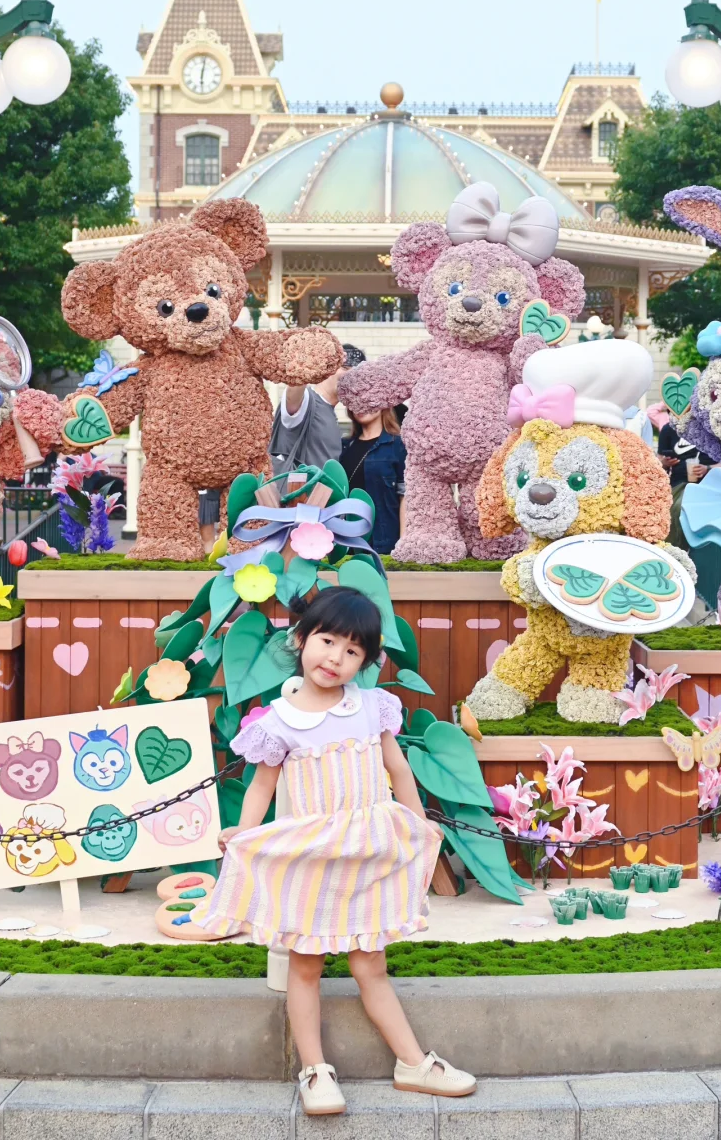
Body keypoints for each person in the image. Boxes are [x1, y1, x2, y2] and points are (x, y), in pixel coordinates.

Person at [188, 587, 476, 1115]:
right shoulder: (277, 722)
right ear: (301, 639)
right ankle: (315, 1071)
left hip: (366, 858)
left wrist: (417, 826)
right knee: (305, 968)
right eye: (327, 641)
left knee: (372, 966)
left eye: (352, 650)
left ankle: (412, 1064)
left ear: (364, 661)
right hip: (312, 860)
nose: (336, 657)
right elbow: (260, 786)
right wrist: (243, 834)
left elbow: (397, 769)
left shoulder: (371, 707)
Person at [270, 343, 367, 481]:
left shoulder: (330, 413)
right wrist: (307, 362)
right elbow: (293, 394)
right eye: (345, 368)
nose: (350, 375)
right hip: (294, 493)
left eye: (356, 373)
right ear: (328, 368)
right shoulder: (307, 401)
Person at [341, 407, 407, 556]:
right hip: (348, 544)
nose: (362, 405)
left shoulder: (398, 445)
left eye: (368, 400)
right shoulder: (344, 446)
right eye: (355, 401)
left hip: (386, 544)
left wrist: (403, 545)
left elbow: (406, 496)